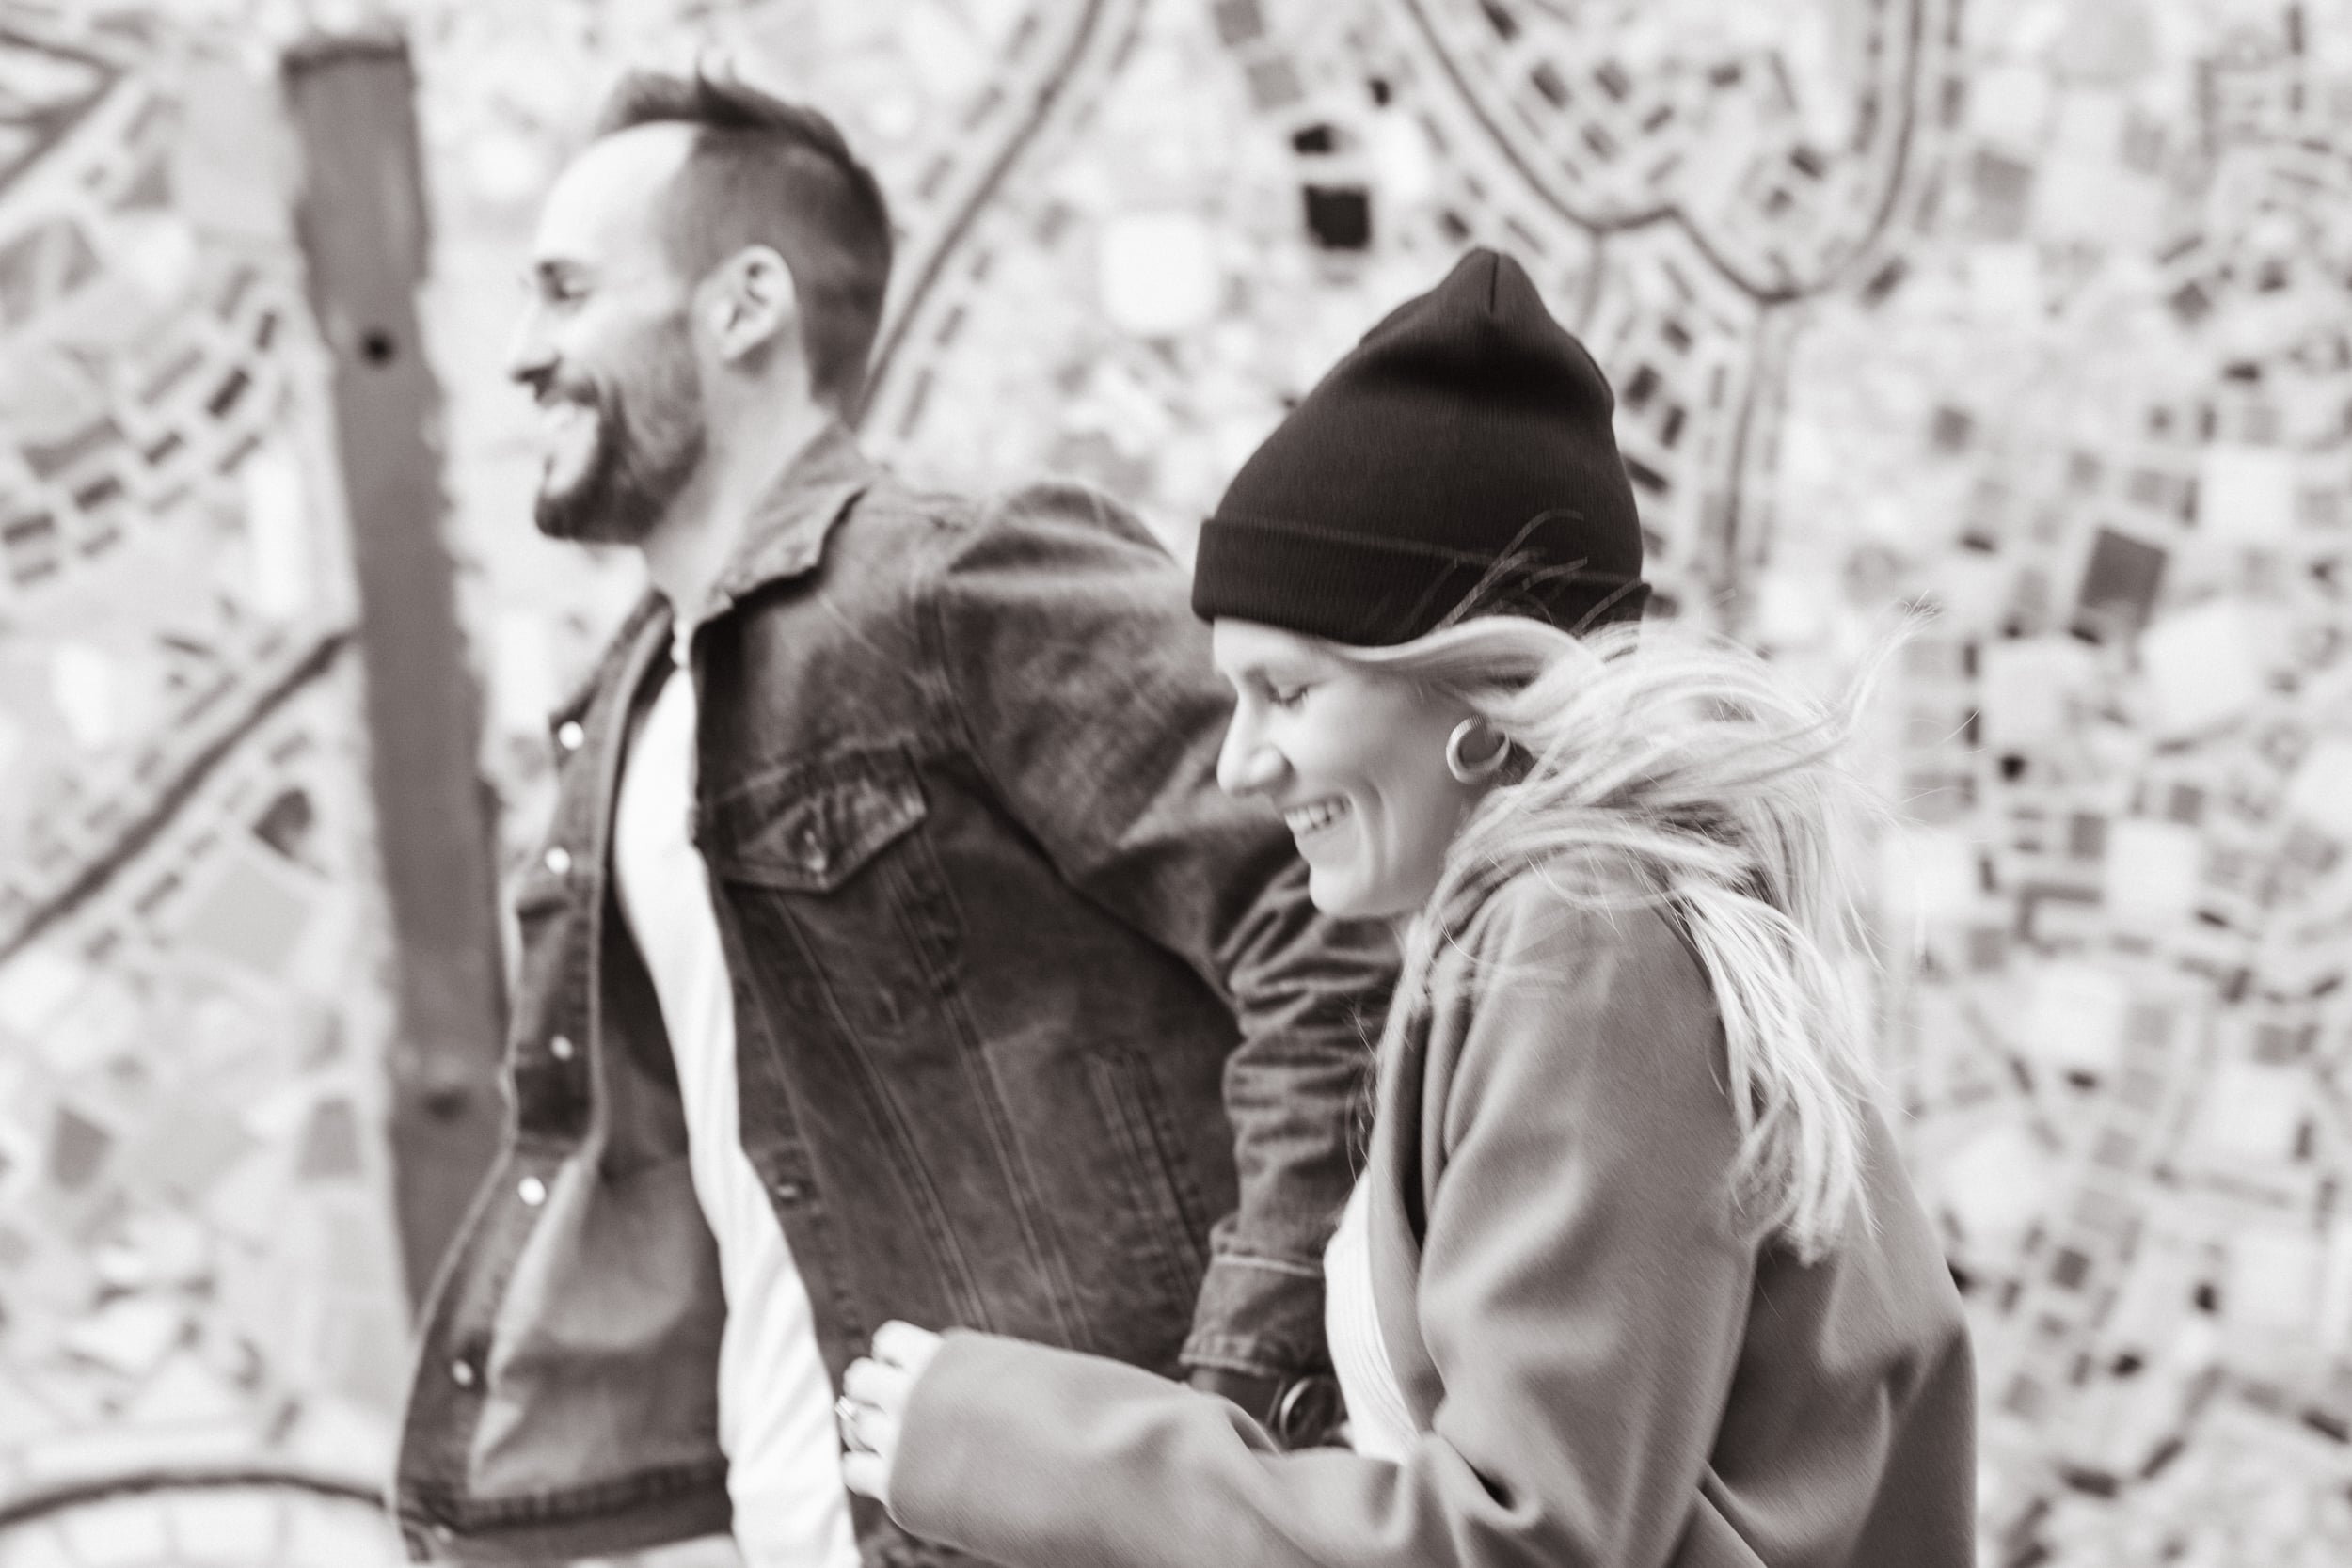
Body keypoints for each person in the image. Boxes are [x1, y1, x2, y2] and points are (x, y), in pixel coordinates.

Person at [836, 249, 1978, 1567]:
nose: (1238, 763)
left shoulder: (1589, 939)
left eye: (1290, 692)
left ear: (1472, 700)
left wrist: (1025, 1444)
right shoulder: (1566, 929)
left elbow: (1521, 1540)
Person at [389, 71, 1392, 1566]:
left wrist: (1223, 1412)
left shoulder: (951, 585)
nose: (524, 355)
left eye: (567, 292)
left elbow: (1324, 929)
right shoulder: (630, 712)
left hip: (1057, 1530)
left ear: (744, 307)